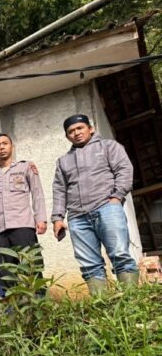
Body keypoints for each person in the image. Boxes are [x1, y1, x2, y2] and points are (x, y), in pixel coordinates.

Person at [51, 114, 139, 295]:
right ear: (67, 136)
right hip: (77, 217)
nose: (76, 133)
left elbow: (124, 170)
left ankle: (132, 300)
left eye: (80, 128)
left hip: (107, 208)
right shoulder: (63, 161)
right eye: (71, 131)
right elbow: (59, 190)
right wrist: (57, 218)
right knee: (89, 264)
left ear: (90, 129)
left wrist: (116, 198)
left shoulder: (109, 147)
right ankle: (102, 304)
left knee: (120, 255)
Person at [0, 133, 47, 296]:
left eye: (5, 143)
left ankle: (40, 308)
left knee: (32, 267)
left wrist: (41, 219)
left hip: (23, 226)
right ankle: (11, 314)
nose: (1, 147)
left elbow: (37, 194)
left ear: (12, 147)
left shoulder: (26, 167)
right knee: (5, 273)